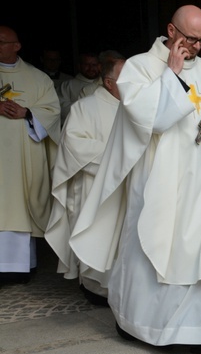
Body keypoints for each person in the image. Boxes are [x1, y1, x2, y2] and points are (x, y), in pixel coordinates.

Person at [69, 5, 201, 354]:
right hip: (159, 178)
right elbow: (152, 119)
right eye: (190, 39)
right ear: (171, 31)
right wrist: (172, 74)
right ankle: (138, 324)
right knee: (153, 246)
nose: (195, 47)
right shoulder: (140, 68)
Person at [45, 56, 126, 306]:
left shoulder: (135, 109)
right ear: (109, 82)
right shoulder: (86, 107)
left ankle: (122, 286)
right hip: (94, 186)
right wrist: (119, 157)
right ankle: (93, 287)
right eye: (128, 77)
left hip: (126, 186)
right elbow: (74, 145)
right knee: (95, 234)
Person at [0, 26, 61, 285]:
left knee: (20, 207)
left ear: (17, 46)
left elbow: (53, 111)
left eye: (2, 42)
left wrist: (27, 113)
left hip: (24, 158)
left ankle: (19, 267)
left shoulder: (38, 79)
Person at [59, 51, 100, 121]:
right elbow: (61, 108)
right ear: (79, 66)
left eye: (94, 65)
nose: (91, 68)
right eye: (87, 64)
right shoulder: (67, 85)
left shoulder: (106, 84)